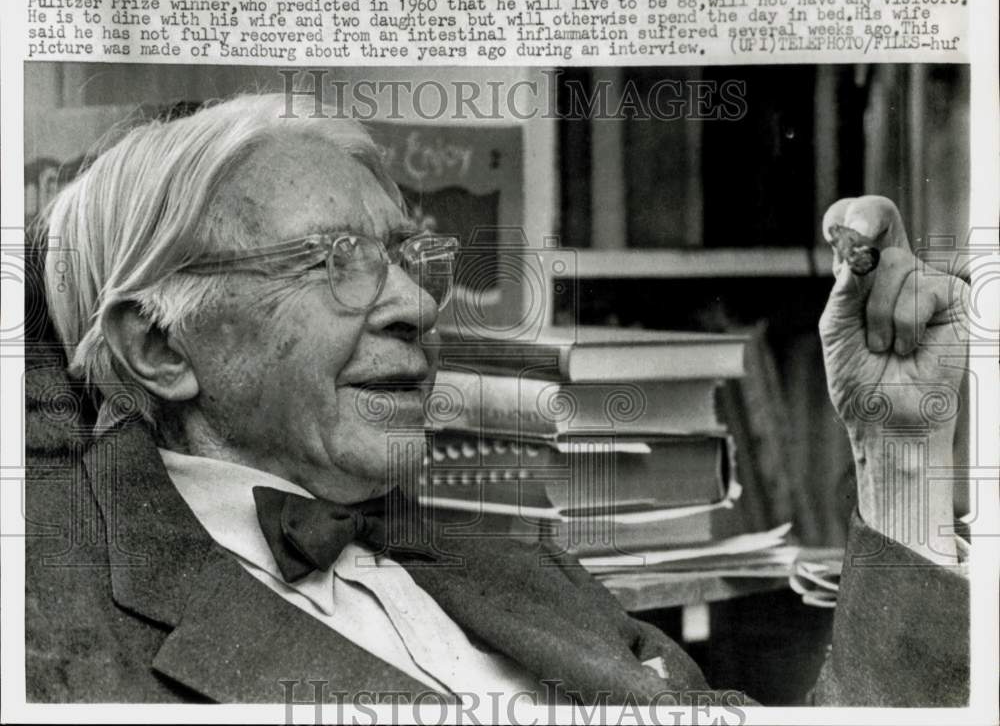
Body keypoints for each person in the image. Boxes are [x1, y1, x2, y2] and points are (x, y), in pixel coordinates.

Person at [25, 93, 969, 706]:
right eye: (333, 262)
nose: (412, 306)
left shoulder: (506, 564)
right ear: (158, 345)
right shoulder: (59, 639)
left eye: (406, 256)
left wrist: (902, 458)